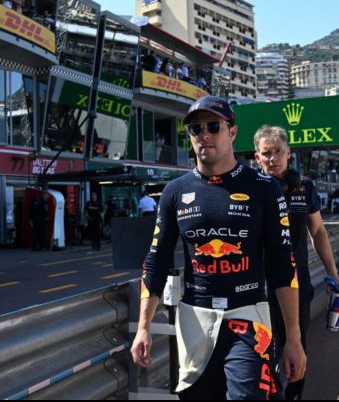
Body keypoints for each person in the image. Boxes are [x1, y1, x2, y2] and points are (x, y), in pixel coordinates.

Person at [131, 96, 306, 399]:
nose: (205, 135)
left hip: (250, 316)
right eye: (196, 129)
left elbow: (282, 264)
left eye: (214, 126)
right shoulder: (175, 191)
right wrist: (143, 327)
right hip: (195, 320)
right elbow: (156, 261)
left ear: (232, 133)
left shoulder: (265, 188)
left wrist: (294, 337)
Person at [253, 125, 339, 399]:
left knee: (297, 348)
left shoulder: (303, 187)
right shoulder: (249, 188)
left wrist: (334, 274)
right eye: (266, 153)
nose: (273, 158)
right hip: (258, 286)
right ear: (257, 158)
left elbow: (318, 231)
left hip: (297, 283)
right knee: (262, 353)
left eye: (278, 151)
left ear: (288, 152)